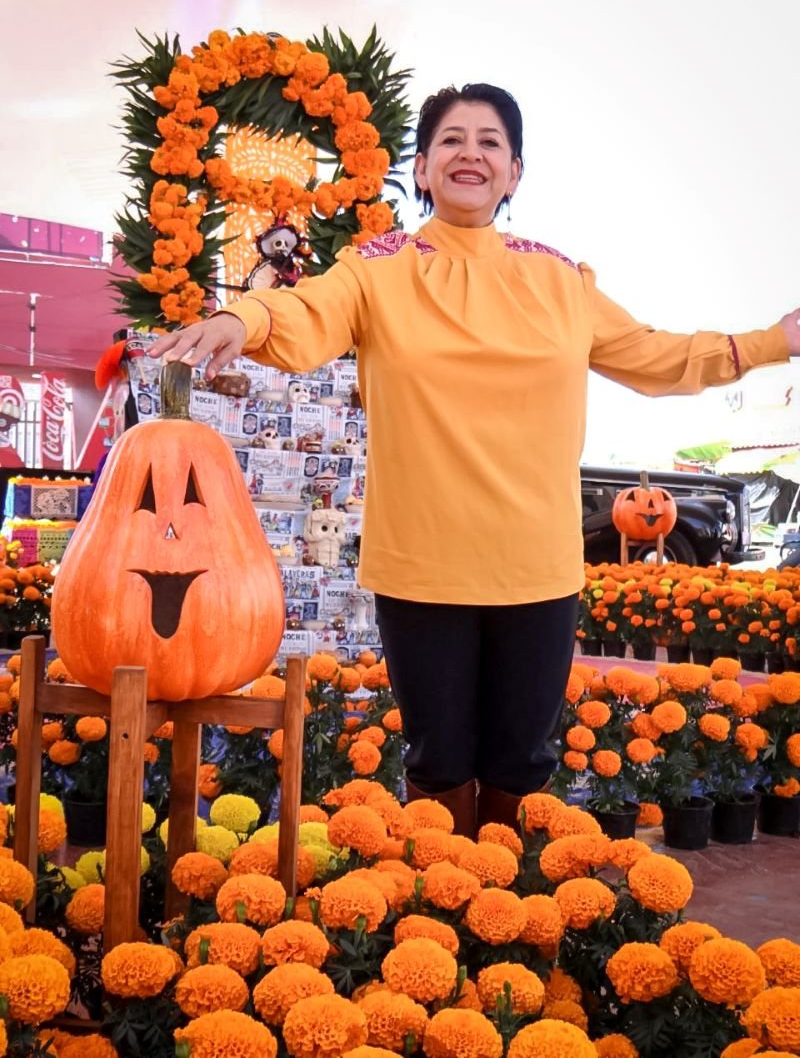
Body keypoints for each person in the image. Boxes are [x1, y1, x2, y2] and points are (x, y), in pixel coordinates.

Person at [150, 83, 800, 837]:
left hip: (536, 567)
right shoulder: (376, 269)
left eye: (491, 142)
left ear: (515, 172)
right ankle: (439, 916)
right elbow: (306, 310)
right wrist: (246, 314)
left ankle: (510, 906)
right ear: (421, 168)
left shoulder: (561, 280)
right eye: (452, 140)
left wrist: (771, 341)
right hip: (422, 565)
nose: (472, 153)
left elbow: (657, 357)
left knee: (524, 761)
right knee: (439, 760)